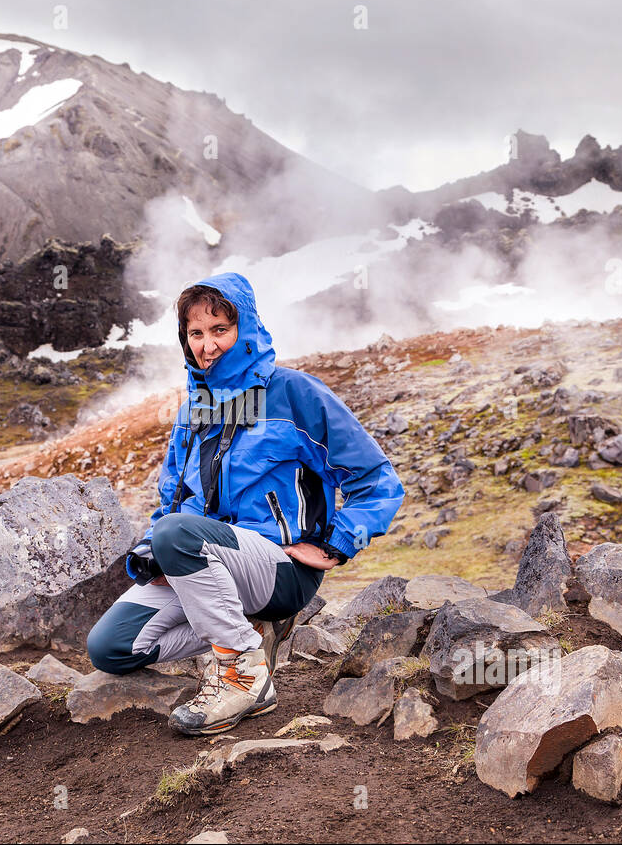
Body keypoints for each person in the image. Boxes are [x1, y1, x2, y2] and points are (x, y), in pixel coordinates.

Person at [86, 272, 405, 736]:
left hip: (279, 569)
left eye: (220, 330)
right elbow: (176, 499)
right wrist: (154, 551)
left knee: (178, 533)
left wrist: (335, 544)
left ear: (246, 329)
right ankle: (247, 635)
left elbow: (378, 479)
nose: (207, 345)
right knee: (111, 648)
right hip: (207, 562)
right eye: (196, 333)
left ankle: (244, 675)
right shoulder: (193, 410)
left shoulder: (294, 393)